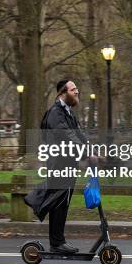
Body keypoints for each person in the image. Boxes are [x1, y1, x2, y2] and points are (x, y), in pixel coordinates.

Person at [24, 79, 95, 254]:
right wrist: (86, 154)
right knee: (58, 203)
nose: (77, 92)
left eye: (77, 88)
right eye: (73, 89)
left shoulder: (68, 113)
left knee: (61, 203)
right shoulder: (55, 113)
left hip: (68, 164)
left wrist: (92, 152)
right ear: (62, 93)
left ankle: (58, 241)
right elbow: (66, 135)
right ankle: (56, 242)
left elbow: (79, 135)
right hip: (59, 165)